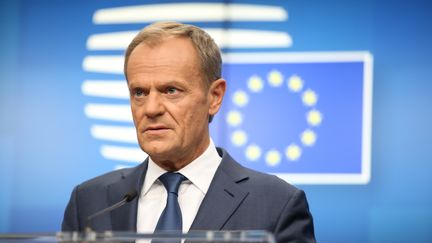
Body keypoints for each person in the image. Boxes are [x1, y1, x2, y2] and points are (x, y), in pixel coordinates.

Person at [62, 22, 316, 242]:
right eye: (139, 92)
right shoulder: (89, 202)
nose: (151, 108)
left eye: (171, 90)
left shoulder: (276, 204)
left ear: (214, 97)